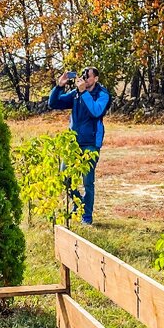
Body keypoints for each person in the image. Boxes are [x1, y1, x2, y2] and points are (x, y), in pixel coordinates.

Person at [48, 67, 109, 225]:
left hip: (90, 144)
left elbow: (96, 112)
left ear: (95, 78)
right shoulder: (76, 94)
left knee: (87, 181)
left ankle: (86, 216)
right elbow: (53, 103)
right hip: (73, 144)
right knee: (64, 177)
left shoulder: (103, 94)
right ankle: (78, 203)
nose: (84, 79)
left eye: (88, 77)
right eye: (83, 76)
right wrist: (59, 86)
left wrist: (84, 93)